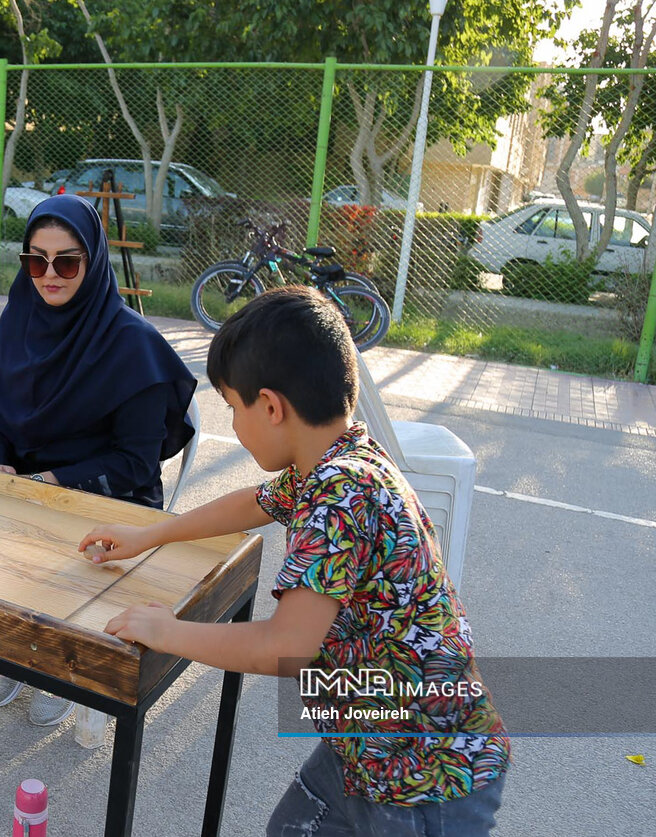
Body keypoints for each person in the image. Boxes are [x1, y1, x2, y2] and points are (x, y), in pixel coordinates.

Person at [80, 286, 510, 836]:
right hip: (368, 742)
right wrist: (149, 535)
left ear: (271, 406)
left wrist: (168, 632)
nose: (234, 425)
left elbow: (283, 646)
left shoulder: (341, 492)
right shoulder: (338, 459)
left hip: (424, 779)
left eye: (233, 408)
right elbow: (253, 503)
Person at [0, 194, 196, 725]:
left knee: (59, 545)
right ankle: (17, 642)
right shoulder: (17, 322)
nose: (49, 275)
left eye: (67, 262)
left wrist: (52, 481)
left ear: (92, 262)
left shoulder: (132, 346)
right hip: (28, 487)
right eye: (36, 261)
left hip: (108, 497)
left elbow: (136, 464)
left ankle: (65, 656)